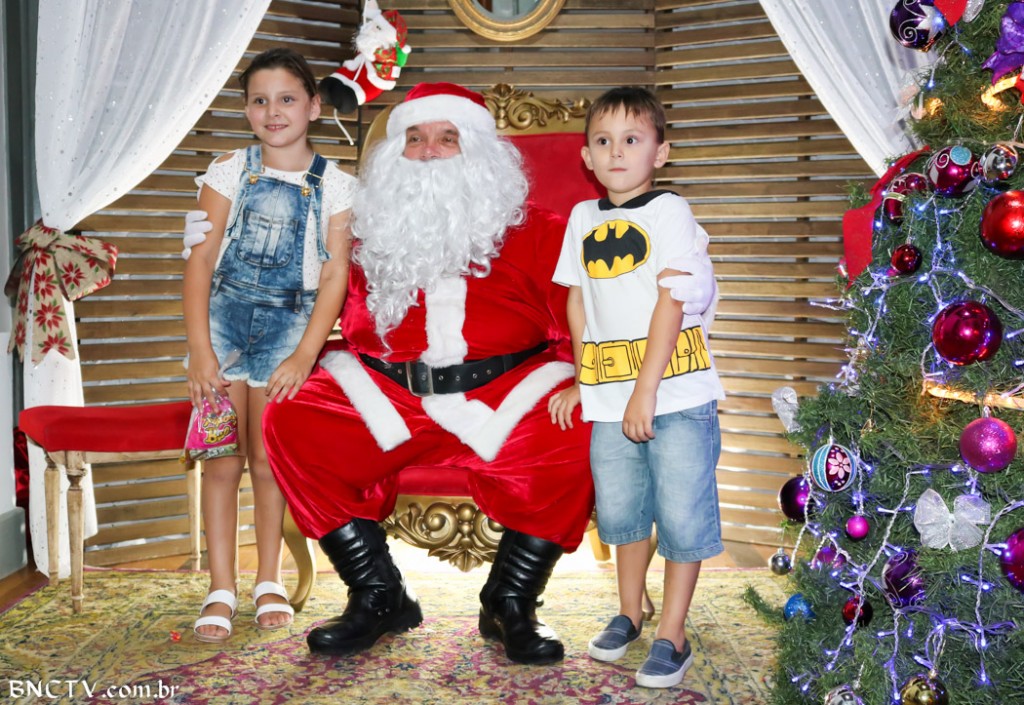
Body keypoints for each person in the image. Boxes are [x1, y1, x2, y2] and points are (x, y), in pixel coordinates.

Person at [181, 81, 718, 665]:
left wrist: (577, 377)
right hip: (386, 390)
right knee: (291, 419)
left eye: (447, 137)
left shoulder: (541, 229)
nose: (429, 151)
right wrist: (219, 244)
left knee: (576, 427)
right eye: (414, 139)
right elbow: (302, 281)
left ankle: (510, 600)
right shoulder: (366, 229)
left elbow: (581, 311)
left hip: (503, 392)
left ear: (479, 152)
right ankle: (377, 593)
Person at [548, 86, 725, 688]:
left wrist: (645, 390)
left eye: (631, 139)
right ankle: (630, 612)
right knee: (622, 511)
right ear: (587, 157)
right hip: (609, 395)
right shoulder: (582, 218)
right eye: (603, 141)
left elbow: (673, 300)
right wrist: (585, 379)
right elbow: (578, 302)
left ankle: (673, 634)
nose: (616, 152)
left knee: (680, 513)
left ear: (660, 152)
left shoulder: (669, 211)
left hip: (674, 392)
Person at [182, 47, 355, 643]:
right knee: (221, 460)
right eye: (260, 100)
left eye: (286, 99)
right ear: (246, 110)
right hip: (223, 328)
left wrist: (305, 354)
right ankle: (220, 586)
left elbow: (334, 275)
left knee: (267, 461)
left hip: (288, 332)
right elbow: (200, 260)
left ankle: (268, 580)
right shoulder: (228, 170)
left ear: (313, 106)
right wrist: (201, 351)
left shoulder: (338, 186)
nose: (273, 111)